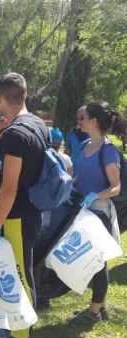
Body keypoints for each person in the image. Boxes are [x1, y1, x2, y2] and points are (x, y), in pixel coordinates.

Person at [0, 73, 50, 338]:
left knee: (21, 277)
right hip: (31, 210)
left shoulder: (14, 133)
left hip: (18, 214)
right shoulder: (37, 124)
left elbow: (9, 187)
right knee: (16, 272)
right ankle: (13, 325)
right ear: (25, 95)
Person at [66, 101, 125, 324]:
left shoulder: (109, 151)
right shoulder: (85, 145)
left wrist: (94, 196)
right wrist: (71, 184)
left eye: (83, 117)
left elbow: (115, 187)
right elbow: (83, 174)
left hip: (99, 212)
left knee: (98, 262)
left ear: (94, 121)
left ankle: (93, 312)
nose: (79, 121)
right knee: (92, 259)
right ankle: (101, 307)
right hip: (83, 210)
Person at [64, 106, 90, 175]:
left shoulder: (97, 135)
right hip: (74, 176)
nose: (80, 122)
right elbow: (66, 155)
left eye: (82, 118)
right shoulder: (72, 134)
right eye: (78, 119)